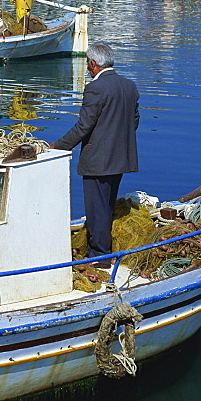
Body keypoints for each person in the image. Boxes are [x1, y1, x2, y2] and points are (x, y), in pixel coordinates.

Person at [49, 43, 140, 265]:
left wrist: (58, 146)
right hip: (121, 158)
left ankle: (99, 256)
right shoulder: (129, 86)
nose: (88, 70)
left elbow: (84, 126)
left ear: (93, 63)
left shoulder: (95, 88)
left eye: (88, 65)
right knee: (106, 205)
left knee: (96, 207)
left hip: (98, 160)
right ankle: (102, 250)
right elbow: (134, 121)